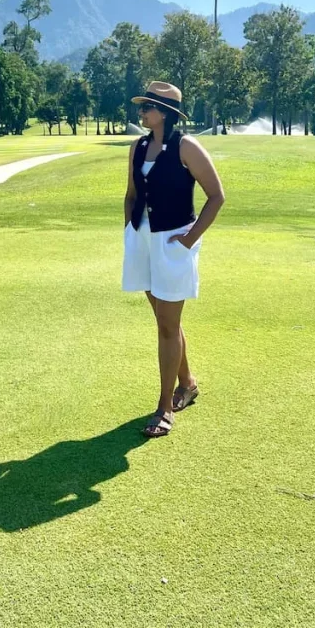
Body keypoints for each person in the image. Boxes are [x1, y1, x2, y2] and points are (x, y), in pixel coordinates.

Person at [122, 81, 225, 438]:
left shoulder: (187, 147)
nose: (142, 111)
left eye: (148, 107)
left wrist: (189, 241)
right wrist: (129, 234)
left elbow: (216, 197)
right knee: (166, 320)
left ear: (164, 112)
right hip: (143, 242)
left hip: (173, 243)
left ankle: (165, 407)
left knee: (167, 325)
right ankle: (188, 384)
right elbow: (131, 195)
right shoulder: (138, 147)